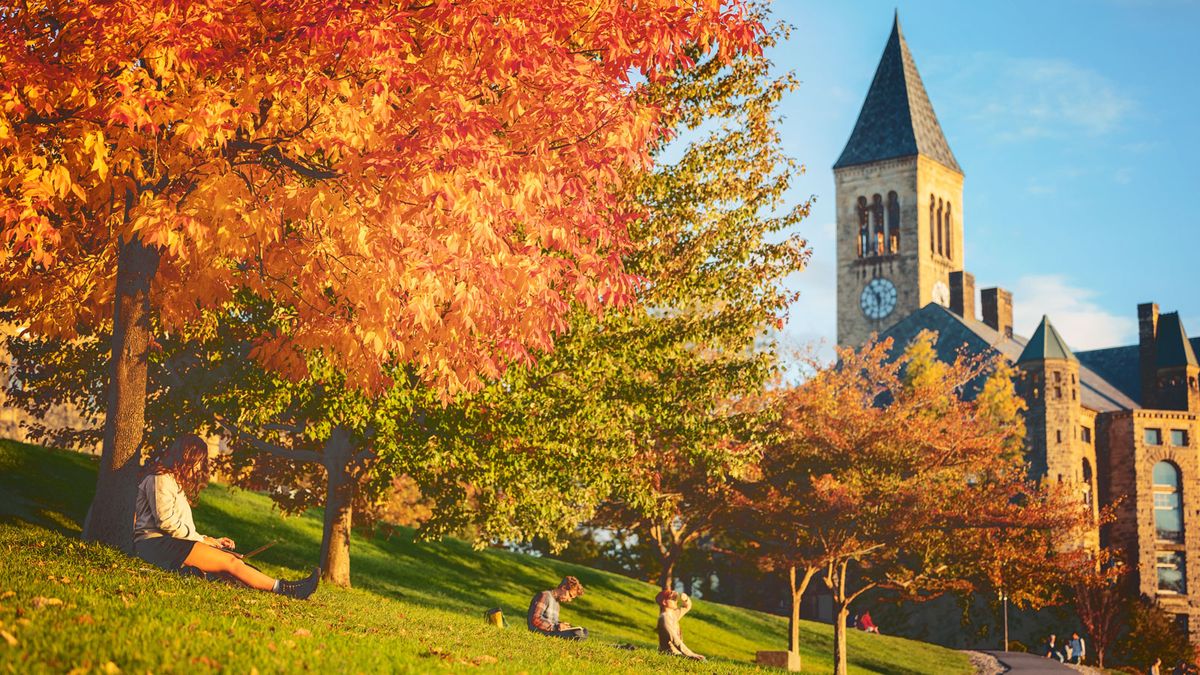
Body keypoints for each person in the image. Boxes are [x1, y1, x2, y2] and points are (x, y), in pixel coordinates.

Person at [133, 434, 320, 599]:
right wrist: (202, 541)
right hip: (155, 545)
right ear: (185, 457)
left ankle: (287, 586)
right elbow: (166, 522)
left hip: (170, 543)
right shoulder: (160, 479)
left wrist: (210, 540)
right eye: (197, 461)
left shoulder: (172, 482)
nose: (198, 468)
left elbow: (179, 527)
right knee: (229, 562)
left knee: (232, 563)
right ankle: (286, 589)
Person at [527, 576, 588, 640]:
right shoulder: (544, 596)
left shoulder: (557, 604)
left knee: (584, 631)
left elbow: (553, 621)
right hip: (542, 632)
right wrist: (556, 627)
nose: (569, 600)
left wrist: (561, 625)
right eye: (570, 595)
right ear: (563, 588)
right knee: (576, 634)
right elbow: (535, 619)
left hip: (552, 631)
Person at [655, 589, 705, 661]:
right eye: (673, 599)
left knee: (702, 660)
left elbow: (687, 607)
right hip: (669, 654)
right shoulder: (664, 618)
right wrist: (690, 654)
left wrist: (686, 599)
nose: (676, 601)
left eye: (676, 598)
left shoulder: (673, 614)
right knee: (701, 661)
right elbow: (675, 640)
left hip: (677, 653)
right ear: (664, 602)